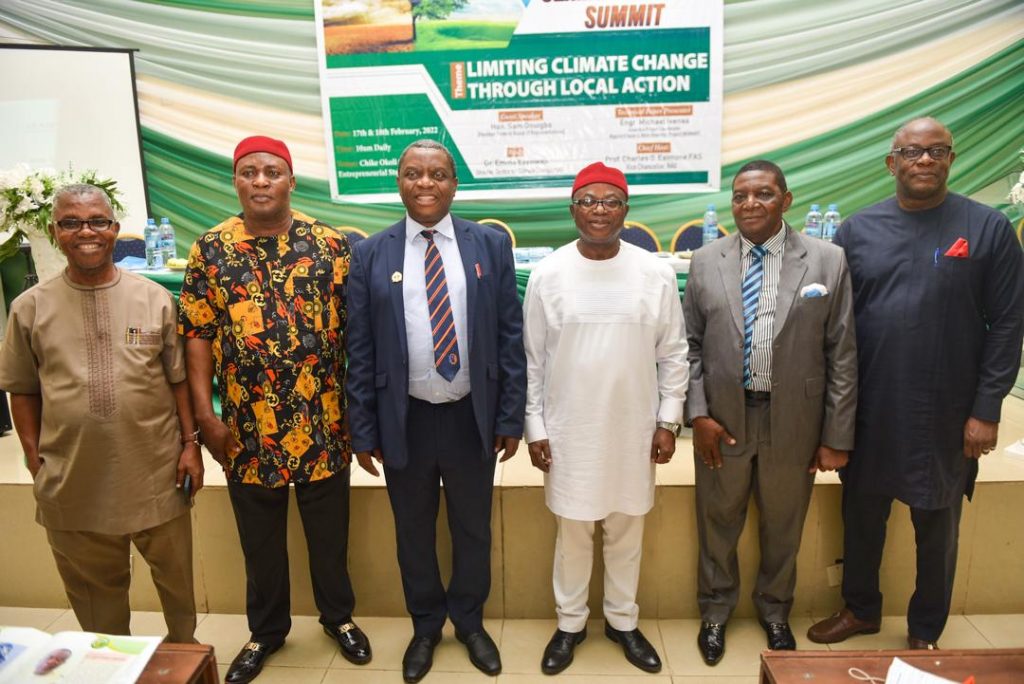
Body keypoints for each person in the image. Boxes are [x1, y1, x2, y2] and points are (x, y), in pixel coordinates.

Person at [808, 117, 1024, 650]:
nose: (924, 160)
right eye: (911, 152)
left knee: (937, 527)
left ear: (951, 159)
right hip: (870, 408)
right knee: (861, 517)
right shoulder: (855, 231)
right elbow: (836, 327)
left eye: (936, 151)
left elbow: (1009, 324)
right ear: (892, 163)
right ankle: (860, 610)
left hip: (947, 412)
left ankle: (926, 629)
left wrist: (986, 409)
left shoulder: (987, 228)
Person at [178, 136, 370, 683]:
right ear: (235, 181)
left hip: (324, 420)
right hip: (244, 427)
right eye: (249, 172)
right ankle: (266, 631)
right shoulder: (211, 249)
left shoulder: (330, 246)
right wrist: (206, 419)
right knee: (259, 541)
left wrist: (358, 412)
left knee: (330, 535)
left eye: (271, 172)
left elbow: (359, 338)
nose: (260, 181)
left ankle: (339, 619)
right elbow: (196, 336)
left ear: (292, 180)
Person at [346, 139, 526, 683]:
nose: (426, 183)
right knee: (413, 531)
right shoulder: (371, 253)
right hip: (407, 418)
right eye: (414, 173)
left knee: (473, 528)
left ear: (454, 182)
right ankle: (426, 625)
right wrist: (363, 429)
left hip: (472, 413)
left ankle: (469, 622)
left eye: (438, 174)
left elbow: (509, 335)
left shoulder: (489, 245)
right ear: (398, 182)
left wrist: (510, 417)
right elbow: (359, 347)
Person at [0, 183, 201, 644]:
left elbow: (177, 381)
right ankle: (110, 666)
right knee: (97, 605)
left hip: (156, 473)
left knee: (177, 588)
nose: (85, 231)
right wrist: (34, 458)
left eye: (96, 221)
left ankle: (188, 660)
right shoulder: (29, 308)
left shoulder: (153, 299)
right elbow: (23, 391)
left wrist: (190, 447)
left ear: (114, 230)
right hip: (74, 480)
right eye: (71, 222)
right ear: (55, 232)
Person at [684, 161, 857, 665]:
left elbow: (842, 353)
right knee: (717, 521)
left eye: (763, 194)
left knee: (784, 523)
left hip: (795, 422)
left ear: (787, 199)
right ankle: (715, 613)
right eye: (740, 195)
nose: (749, 204)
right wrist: (698, 415)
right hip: (723, 420)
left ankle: (776, 612)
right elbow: (689, 347)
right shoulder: (705, 260)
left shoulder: (827, 261)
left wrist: (836, 434)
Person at [523, 162, 689, 675]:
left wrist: (668, 421)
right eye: (589, 202)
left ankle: (622, 621)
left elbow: (676, 354)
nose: (599, 211)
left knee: (626, 531)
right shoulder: (549, 274)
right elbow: (533, 359)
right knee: (573, 533)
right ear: (573, 210)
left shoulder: (654, 273)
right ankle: (570, 624)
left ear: (626, 210)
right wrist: (536, 427)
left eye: (610, 202)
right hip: (570, 430)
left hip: (634, 428)